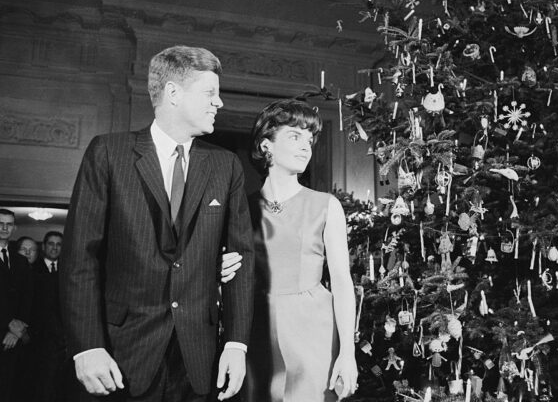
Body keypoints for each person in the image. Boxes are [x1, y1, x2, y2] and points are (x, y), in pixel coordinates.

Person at [60, 45, 255, 402]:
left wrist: (236, 344)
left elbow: (242, 259)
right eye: (210, 93)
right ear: (174, 94)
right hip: (120, 356)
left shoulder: (225, 166)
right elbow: (79, 259)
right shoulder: (108, 153)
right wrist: (87, 347)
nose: (219, 103)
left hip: (197, 361)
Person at [226, 99, 358, 401]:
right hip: (255, 330)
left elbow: (341, 282)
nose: (305, 147)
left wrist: (347, 353)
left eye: (309, 140)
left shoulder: (326, 205)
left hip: (314, 333)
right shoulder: (241, 209)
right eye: (294, 136)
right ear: (266, 146)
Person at [0, 209, 33, 400]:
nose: (4, 228)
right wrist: (7, 323)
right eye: (0, 223)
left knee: (9, 388)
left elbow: (28, 297)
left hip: (14, 337)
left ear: (14, 227)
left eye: (9, 224)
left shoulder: (20, 260)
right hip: (4, 328)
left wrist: (16, 328)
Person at [32, 231, 67, 402]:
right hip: (39, 339)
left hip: (64, 341)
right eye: (51, 244)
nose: (54, 248)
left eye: (58, 244)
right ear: (44, 246)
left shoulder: (69, 272)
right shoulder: (32, 269)